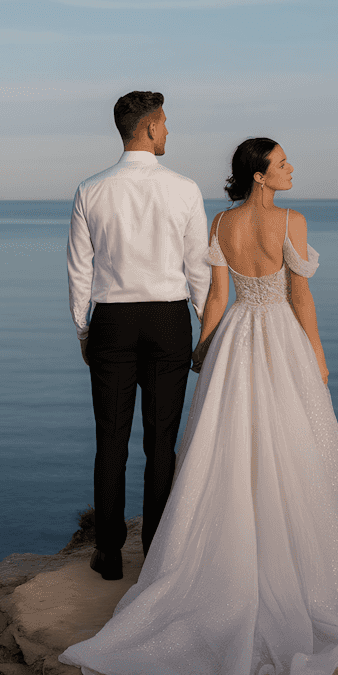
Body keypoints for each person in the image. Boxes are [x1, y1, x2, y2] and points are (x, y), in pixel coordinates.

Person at [59, 137, 338, 675]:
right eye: (282, 163)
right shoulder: (291, 222)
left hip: (236, 342)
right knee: (293, 450)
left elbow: (218, 296)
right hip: (280, 338)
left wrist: (205, 350)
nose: (291, 168)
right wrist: (319, 358)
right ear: (260, 175)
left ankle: (213, 554)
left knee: (220, 453)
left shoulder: (221, 223)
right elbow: (301, 296)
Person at [66, 90, 210, 580]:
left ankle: (107, 553)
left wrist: (84, 328)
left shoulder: (90, 189)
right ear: (148, 128)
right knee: (161, 442)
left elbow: (78, 272)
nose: (168, 130)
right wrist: (205, 329)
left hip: (112, 321)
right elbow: (199, 271)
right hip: (169, 320)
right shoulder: (186, 189)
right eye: (165, 122)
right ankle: (157, 554)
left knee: (110, 441)